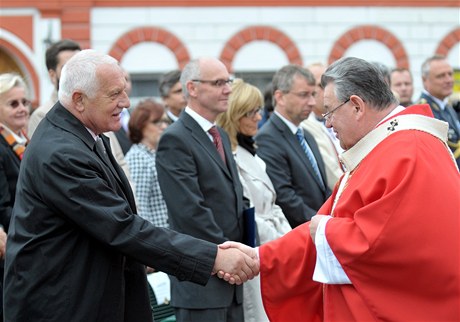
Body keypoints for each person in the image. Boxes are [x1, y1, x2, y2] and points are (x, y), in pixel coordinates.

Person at [3, 50, 259, 322]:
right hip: (64, 305)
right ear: (79, 100)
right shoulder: (61, 152)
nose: (126, 103)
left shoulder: (85, 135)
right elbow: (121, 227)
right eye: (114, 94)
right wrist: (213, 257)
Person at [220, 56, 460, 321]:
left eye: (329, 111)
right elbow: (336, 218)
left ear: (356, 106)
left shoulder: (407, 152)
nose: (328, 124)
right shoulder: (389, 146)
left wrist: (324, 229)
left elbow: (393, 243)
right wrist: (260, 257)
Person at [156, 57, 248, 322]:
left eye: (228, 82)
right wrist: (230, 257)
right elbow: (190, 213)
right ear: (192, 88)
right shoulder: (175, 139)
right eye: (219, 83)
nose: (228, 89)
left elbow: (234, 200)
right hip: (202, 282)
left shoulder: (219, 134)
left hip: (231, 280)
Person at [217, 78, 291, 322]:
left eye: (259, 110)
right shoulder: (230, 156)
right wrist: (282, 240)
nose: (259, 117)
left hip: (272, 246)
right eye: (251, 112)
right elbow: (248, 214)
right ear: (234, 115)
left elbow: (272, 202)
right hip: (256, 251)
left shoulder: (250, 151)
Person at [256, 64, 331, 228]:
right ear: (280, 97)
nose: (311, 102)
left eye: (313, 94)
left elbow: (323, 188)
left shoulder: (307, 136)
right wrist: (321, 224)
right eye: (304, 95)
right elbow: (284, 197)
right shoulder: (267, 138)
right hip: (299, 234)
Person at [0, 72, 30, 319]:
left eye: (24, 102)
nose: (22, 109)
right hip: (13, 255)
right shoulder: (1, 147)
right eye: (13, 103)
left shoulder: (24, 142)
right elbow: (4, 207)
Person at [125, 99, 169, 228]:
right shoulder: (138, 158)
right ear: (140, 125)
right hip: (157, 239)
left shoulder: (156, 154)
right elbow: (140, 209)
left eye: (166, 121)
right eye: (156, 122)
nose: (164, 127)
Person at [301, 63, 344, 190]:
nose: (327, 90)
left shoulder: (341, 115)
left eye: (329, 84)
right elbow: (331, 172)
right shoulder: (304, 126)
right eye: (321, 85)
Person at [28, 39, 81, 137]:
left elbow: (115, 151)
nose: (76, 73)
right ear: (52, 75)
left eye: (80, 66)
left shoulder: (95, 109)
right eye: (67, 68)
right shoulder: (42, 116)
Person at [417, 54, 460, 167]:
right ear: (425, 80)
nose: (449, 80)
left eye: (450, 74)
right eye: (441, 76)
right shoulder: (423, 111)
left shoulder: (447, 107)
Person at [114, 67, 134, 155]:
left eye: (126, 79)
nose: (124, 84)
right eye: (120, 79)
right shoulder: (104, 117)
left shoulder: (135, 114)